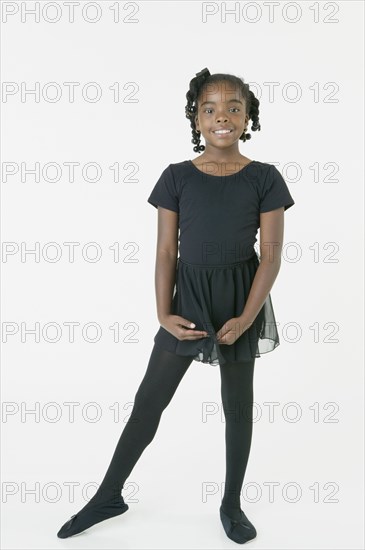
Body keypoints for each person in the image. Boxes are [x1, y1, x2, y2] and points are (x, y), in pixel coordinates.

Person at [56, 67, 295, 545]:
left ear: (248, 117)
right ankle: (108, 494)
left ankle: (231, 502)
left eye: (233, 107)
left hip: (238, 301)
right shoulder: (177, 177)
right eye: (210, 109)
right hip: (185, 300)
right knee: (150, 400)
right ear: (196, 117)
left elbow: (270, 256)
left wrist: (247, 317)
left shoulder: (265, 178)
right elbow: (166, 251)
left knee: (237, 406)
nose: (221, 117)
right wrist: (163, 312)